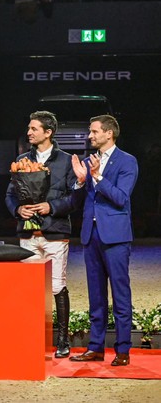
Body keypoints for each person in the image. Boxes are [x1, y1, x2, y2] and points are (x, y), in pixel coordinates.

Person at [5, 111, 77, 359]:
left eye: (34, 128)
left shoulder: (67, 161)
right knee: (29, 288)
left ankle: (62, 340)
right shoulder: (21, 159)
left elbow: (75, 197)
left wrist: (52, 207)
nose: (29, 132)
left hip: (55, 233)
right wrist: (18, 208)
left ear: (48, 132)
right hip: (28, 234)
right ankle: (31, 336)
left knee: (57, 286)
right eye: (28, 128)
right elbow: (10, 195)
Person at [69, 115, 137, 367]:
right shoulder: (88, 162)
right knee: (95, 296)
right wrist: (80, 181)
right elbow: (77, 202)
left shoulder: (127, 161)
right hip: (91, 235)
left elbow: (120, 197)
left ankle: (123, 350)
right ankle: (95, 347)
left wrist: (97, 177)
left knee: (120, 295)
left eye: (94, 131)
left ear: (109, 133)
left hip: (116, 236)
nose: (90, 136)